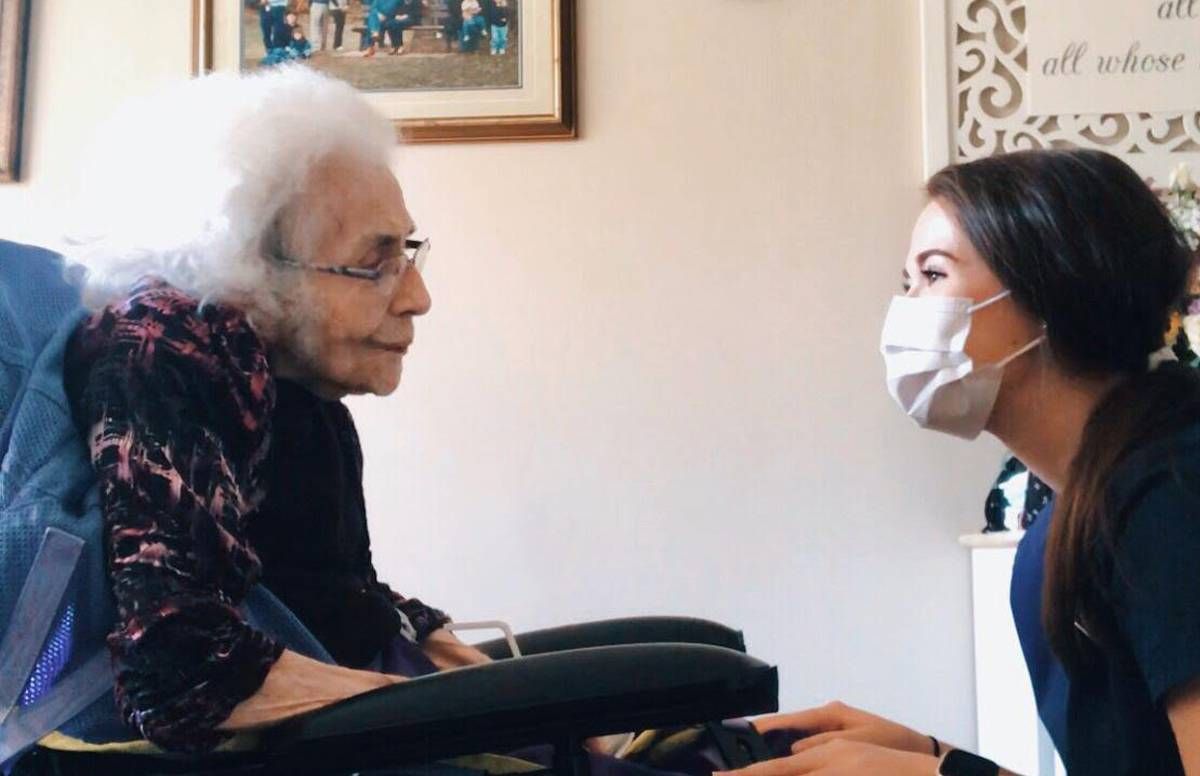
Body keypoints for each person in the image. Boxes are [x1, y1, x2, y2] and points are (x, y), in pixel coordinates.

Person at [50, 66, 489, 755]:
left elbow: (329, 593)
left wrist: (475, 670)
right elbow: (183, 672)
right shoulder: (163, 354)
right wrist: (481, 714)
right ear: (252, 266)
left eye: (406, 252)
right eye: (374, 263)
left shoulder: (298, 387)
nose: (416, 298)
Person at [722, 149, 1200, 775]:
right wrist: (933, 756)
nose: (907, 308)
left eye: (934, 274)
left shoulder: (1171, 497)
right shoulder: (1059, 534)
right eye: (907, 282)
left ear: (1052, 290)